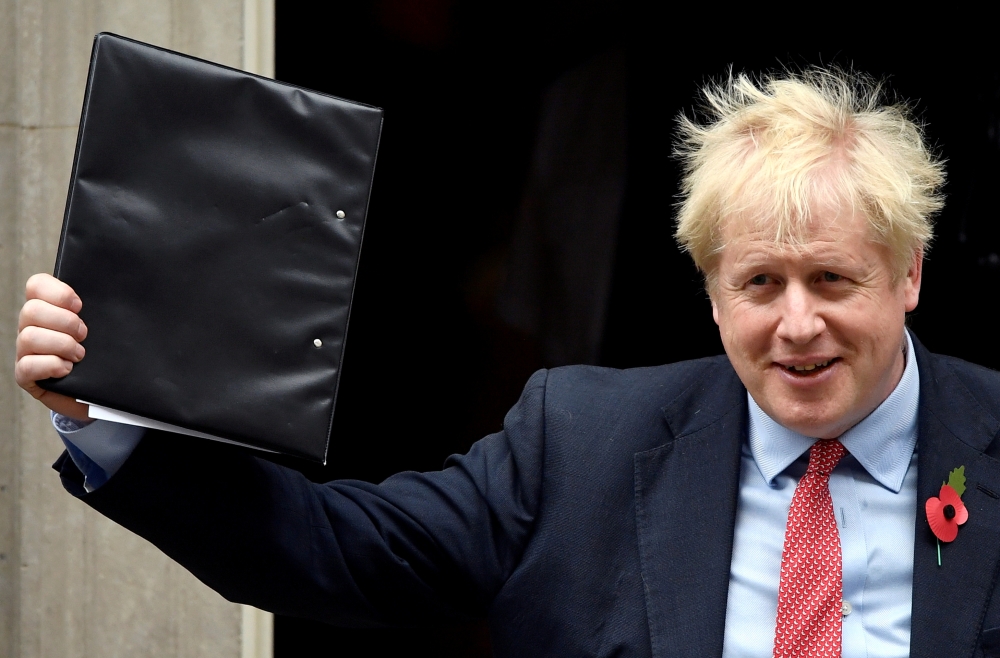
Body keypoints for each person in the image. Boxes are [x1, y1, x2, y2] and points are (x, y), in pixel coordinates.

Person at [15, 67, 1000, 658]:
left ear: (906, 272)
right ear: (709, 292)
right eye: (758, 285)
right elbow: (330, 551)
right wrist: (113, 407)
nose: (795, 324)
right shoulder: (579, 441)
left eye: (830, 279)